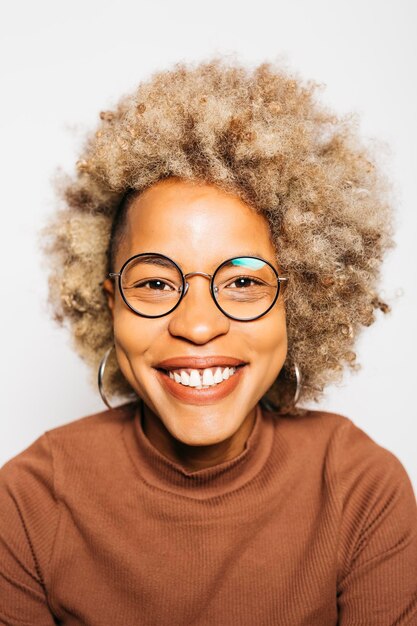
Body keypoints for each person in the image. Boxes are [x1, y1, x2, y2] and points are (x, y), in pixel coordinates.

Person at [0, 58, 416, 625]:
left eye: (243, 282)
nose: (197, 326)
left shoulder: (360, 489)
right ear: (110, 302)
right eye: (154, 282)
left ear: (299, 302)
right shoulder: (26, 502)